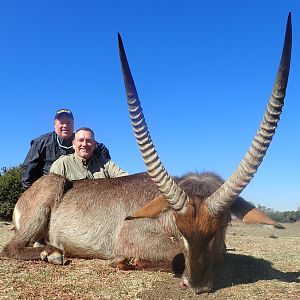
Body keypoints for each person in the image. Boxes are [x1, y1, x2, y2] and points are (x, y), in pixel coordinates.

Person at [21, 109, 110, 189]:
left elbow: (101, 149)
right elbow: (27, 171)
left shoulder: (82, 141)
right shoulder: (41, 142)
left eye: (68, 122)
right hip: (51, 190)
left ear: (73, 124)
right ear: (55, 124)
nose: (65, 126)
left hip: (79, 190)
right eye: (61, 122)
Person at [50, 127, 128, 180]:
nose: (84, 144)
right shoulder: (62, 163)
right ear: (73, 144)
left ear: (94, 145)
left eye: (89, 141)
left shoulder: (106, 164)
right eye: (80, 140)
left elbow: (126, 180)